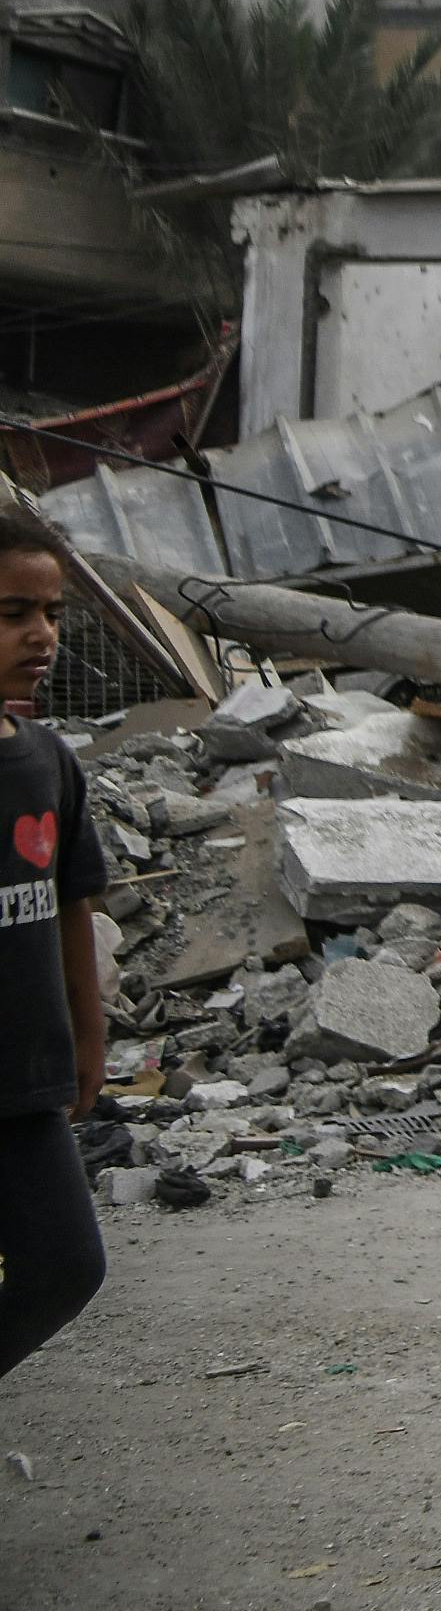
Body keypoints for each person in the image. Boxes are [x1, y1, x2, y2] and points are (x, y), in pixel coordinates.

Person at [0, 512, 109, 1387]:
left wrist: (88, 1037)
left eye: (52, 613)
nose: (41, 635)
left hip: (25, 1081)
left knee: (66, 1268)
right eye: (11, 614)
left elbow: (72, 904)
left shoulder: (46, 763)